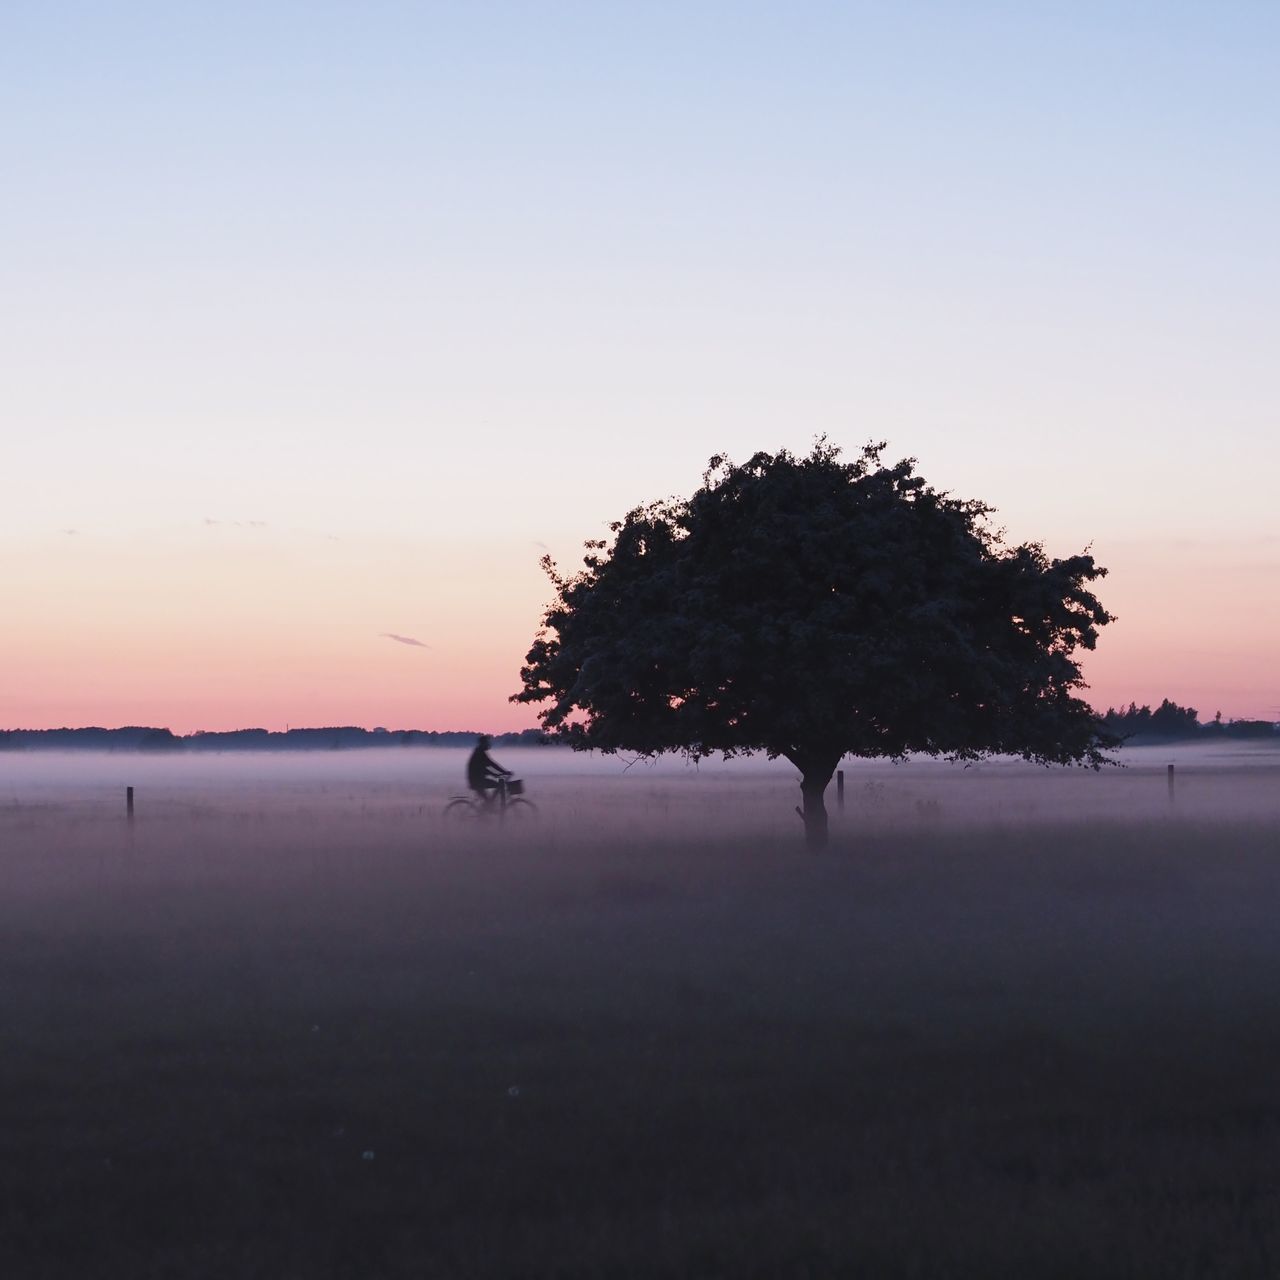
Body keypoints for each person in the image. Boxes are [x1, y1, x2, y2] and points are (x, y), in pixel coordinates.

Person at [467, 734, 512, 806]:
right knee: (498, 786)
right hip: (476, 781)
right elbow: (487, 766)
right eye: (487, 742)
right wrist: (501, 773)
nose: (489, 744)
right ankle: (488, 807)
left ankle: (488, 807)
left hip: (478, 779)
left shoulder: (480, 751)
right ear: (483, 743)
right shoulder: (480, 753)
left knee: (488, 798)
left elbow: (491, 764)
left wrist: (502, 772)